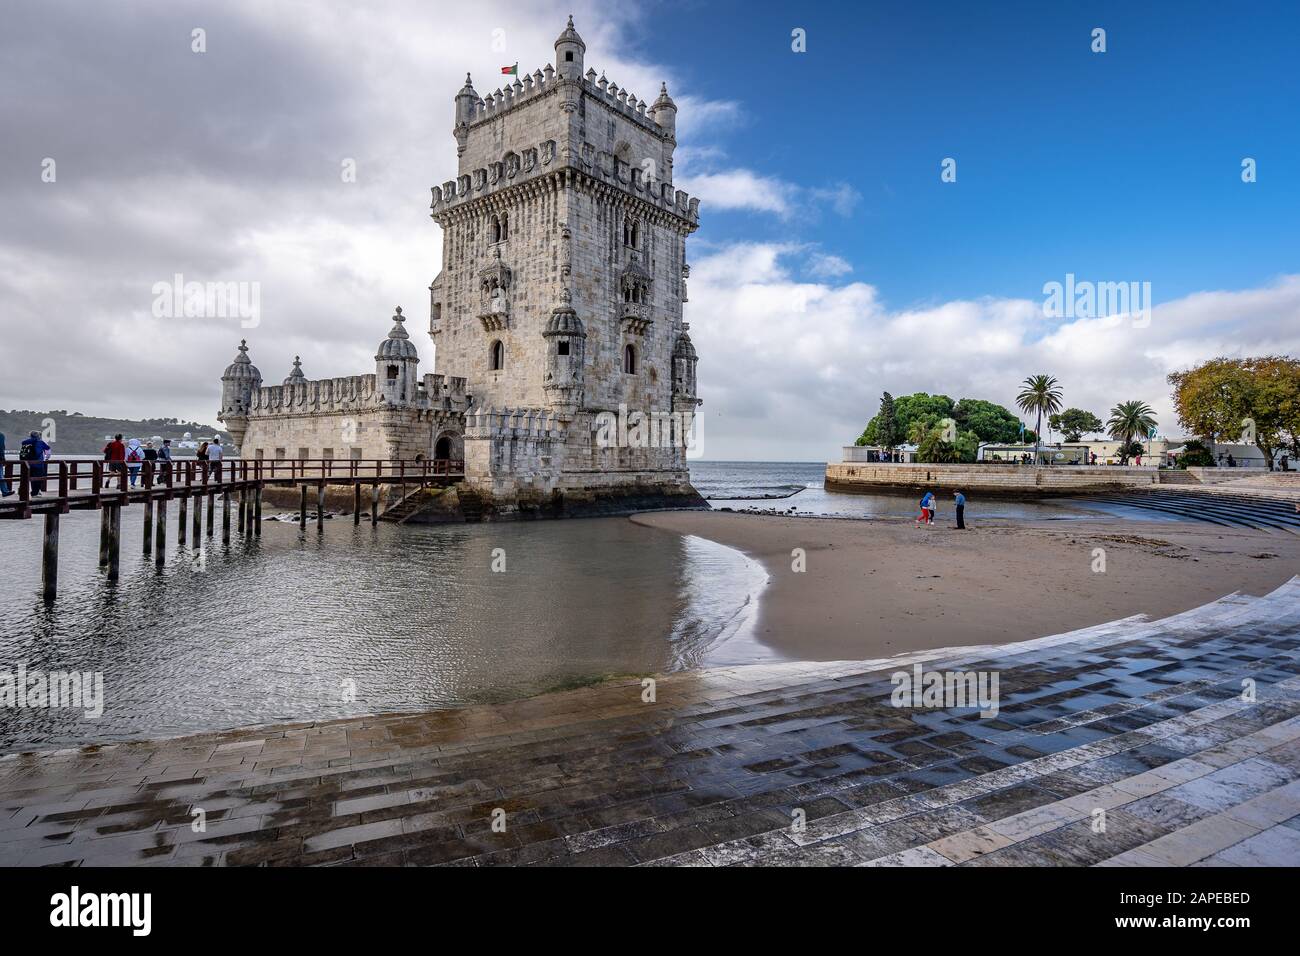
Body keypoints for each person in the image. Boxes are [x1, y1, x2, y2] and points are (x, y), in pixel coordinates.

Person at [20, 431, 51, 495]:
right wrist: (47, 458)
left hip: (27, 464)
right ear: (38, 436)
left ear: (30, 436)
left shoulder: (25, 442)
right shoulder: (40, 442)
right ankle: (35, 493)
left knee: (27, 477)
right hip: (38, 464)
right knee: (38, 478)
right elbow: (48, 449)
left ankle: (22, 491)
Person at [0, 431, 11, 497]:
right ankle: (5, 491)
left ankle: (5, 491)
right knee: (0, 476)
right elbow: (1, 448)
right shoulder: (1, 435)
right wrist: (2, 458)